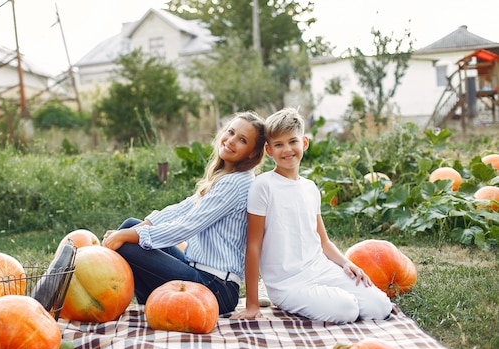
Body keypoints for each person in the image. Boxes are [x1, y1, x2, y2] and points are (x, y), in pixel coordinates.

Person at [231, 107, 392, 323]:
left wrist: (346, 263)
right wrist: (252, 303)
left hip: (320, 269)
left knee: (380, 307)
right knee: (347, 310)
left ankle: (329, 296)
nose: (287, 149)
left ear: (304, 143)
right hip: (287, 282)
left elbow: (323, 241)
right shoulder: (263, 186)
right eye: (279, 144)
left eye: (292, 141)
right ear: (269, 151)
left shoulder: (310, 187)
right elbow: (253, 246)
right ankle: (300, 299)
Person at [102, 111, 267, 315]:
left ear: (252, 153)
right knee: (130, 225)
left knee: (127, 243)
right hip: (200, 272)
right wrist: (140, 227)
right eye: (230, 132)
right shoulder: (228, 176)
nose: (231, 141)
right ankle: (153, 301)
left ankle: (151, 301)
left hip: (215, 288)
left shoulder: (235, 183)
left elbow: (186, 227)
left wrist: (127, 236)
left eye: (242, 140)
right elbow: (184, 207)